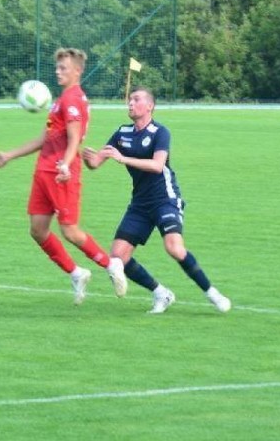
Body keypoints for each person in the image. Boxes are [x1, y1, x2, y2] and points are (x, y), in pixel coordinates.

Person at [0, 47, 127, 305]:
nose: (58, 72)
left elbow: (75, 137)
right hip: (44, 170)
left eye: (63, 68)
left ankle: (111, 265)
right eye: (57, 68)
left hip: (61, 173)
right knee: (38, 229)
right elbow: (47, 137)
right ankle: (77, 273)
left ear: (77, 71)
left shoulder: (73, 99)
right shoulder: (61, 99)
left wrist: (65, 165)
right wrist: (10, 155)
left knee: (70, 231)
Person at [82, 86, 231, 314]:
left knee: (174, 247)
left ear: (149, 106)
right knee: (118, 256)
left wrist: (123, 158)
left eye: (136, 99)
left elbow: (157, 165)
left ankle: (212, 293)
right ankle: (161, 293)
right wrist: (86, 156)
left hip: (165, 198)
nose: (130, 103)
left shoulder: (160, 132)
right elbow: (96, 163)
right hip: (140, 203)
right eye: (129, 100)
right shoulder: (121, 133)